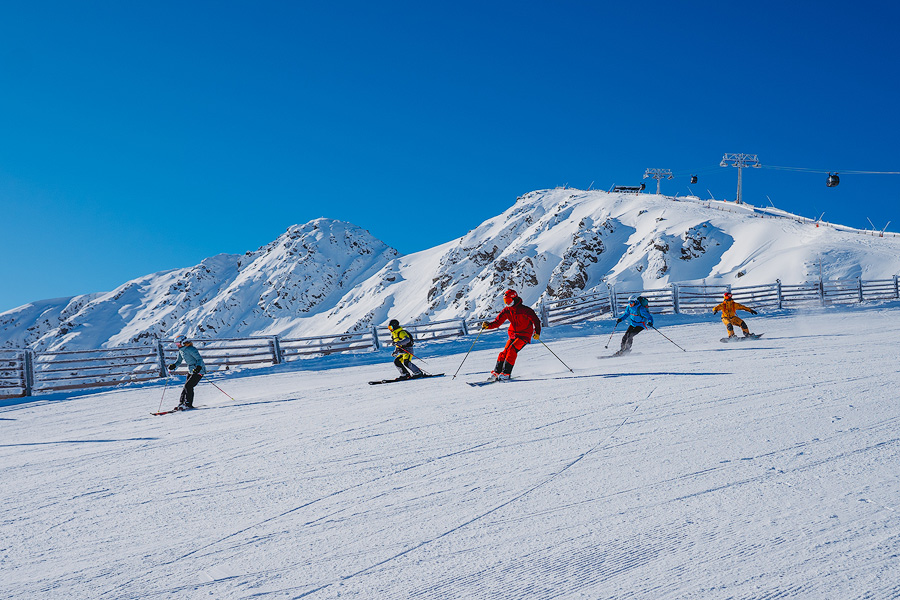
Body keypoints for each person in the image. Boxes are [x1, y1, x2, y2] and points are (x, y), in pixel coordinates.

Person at [481, 289, 542, 381]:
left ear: (514, 299)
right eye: (505, 301)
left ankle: (506, 373)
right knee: (503, 353)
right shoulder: (507, 310)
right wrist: (488, 326)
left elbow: (536, 321)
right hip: (513, 335)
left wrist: (537, 332)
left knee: (511, 351)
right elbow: (497, 322)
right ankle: (496, 373)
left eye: (508, 301)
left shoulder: (525, 310)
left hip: (524, 335)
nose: (507, 303)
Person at [167, 335, 207, 410]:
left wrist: (198, 367)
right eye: (176, 344)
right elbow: (178, 361)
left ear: (183, 342)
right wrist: (174, 366)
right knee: (186, 387)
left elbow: (199, 359)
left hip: (199, 370)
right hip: (191, 371)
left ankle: (188, 404)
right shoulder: (181, 350)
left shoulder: (191, 349)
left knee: (189, 386)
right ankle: (181, 404)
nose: (177, 345)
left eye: (178, 344)